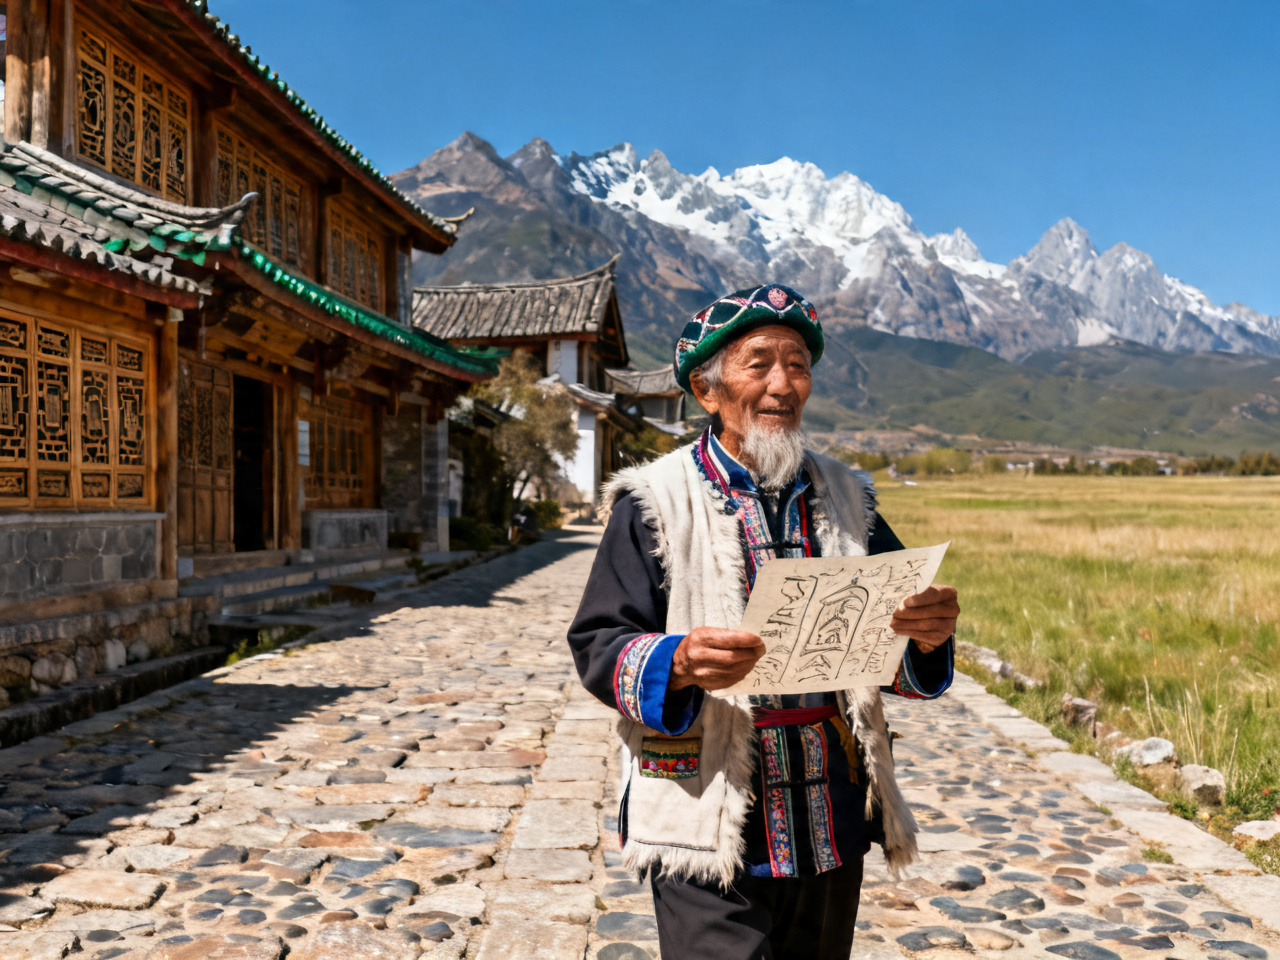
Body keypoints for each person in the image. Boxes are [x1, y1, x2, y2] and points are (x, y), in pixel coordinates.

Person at [567, 284, 960, 960]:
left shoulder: (848, 497)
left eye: (798, 364)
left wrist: (926, 635)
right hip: (705, 813)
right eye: (759, 363)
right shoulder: (655, 501)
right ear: (708, 389)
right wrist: (680, 661)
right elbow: (600, 644)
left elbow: (889, 645)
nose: (783, 385)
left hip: (826, 818)